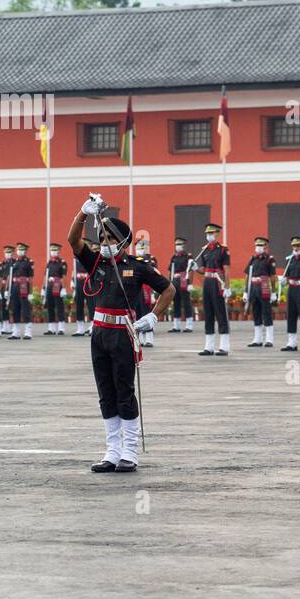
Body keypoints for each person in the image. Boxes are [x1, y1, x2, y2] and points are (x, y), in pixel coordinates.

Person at [70, 196, 173, 473]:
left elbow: (168, 289)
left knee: (124, 391)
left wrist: (153, 315)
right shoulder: (95, 263)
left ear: (122, 242)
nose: (103, 244)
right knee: (106, 393)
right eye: (101, 239)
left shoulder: (137, 266)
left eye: (109, 239)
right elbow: (73, 241)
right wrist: (82, 214)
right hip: (99, 334)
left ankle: (129, 452)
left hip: (123, 334)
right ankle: (112, 451)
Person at [196, 223, 231, 355]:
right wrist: (195, 268)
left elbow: (227, 269)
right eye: (207, 234)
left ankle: (224, 346)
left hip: (218, 282)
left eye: (211, 233)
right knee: (208, 312)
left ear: (217, 234)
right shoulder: (204, 250)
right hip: (207, 282)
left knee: (220, 313)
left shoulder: (223, 250)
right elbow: (203, 269)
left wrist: (227, 286)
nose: (209, 236)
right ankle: (209, 347)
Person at [245, 236, 277, 348]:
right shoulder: (253, 259)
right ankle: (257, 339)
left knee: (266, 312)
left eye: (261, 245)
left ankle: (269, 339)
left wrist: (274, 292)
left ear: (266, 247)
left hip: (264, 287)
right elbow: (248, 276)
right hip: (254, 287)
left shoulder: (269, 259)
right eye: (257, 245)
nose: (258, 247)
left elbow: (273, 276)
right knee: (256, 312)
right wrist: (246, 292)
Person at [167, 237, 195, 333]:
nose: (178, 246)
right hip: (175, 281)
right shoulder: (173, 257)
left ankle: (189, 325)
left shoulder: (188, 256)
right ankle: (176, 325)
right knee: (176, 302)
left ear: (184, 245)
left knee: (186, 302)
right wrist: (169, 283)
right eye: (176, 245)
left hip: (184, 280)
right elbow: (170, 271)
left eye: (180, 244)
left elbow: (190, 270)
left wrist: (190, 283)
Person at [43, 242, 69, 335]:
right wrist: (43, 288)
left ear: (58, 251)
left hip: (58, 286)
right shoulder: (49, 262)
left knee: (59, 306)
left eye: (55, 250)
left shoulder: (62, 262)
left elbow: (64, 276)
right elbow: (45, 276)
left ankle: (61, 327)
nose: (53, 252)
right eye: (52, 250)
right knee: (50, 306)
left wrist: (64, 288)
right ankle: (51, 328)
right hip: (50, 286)